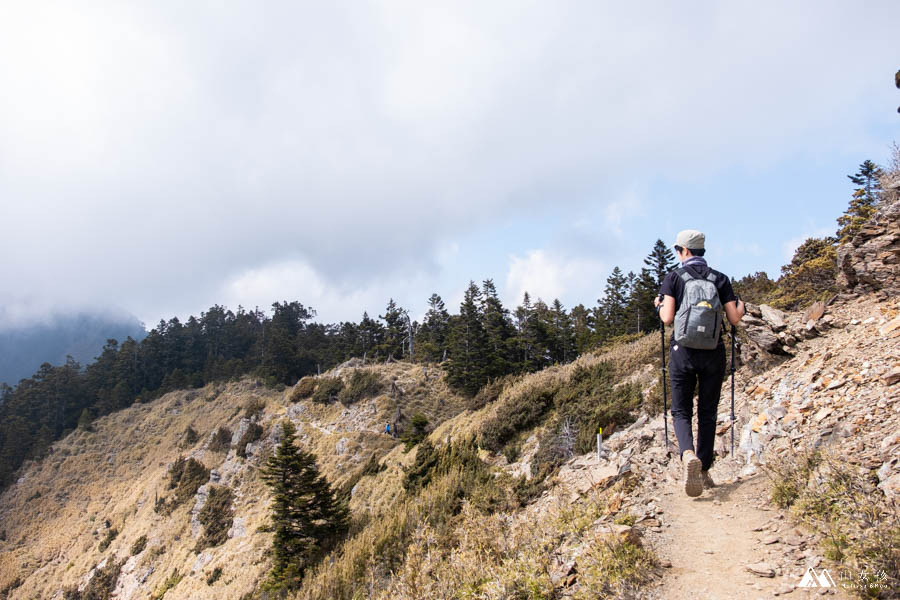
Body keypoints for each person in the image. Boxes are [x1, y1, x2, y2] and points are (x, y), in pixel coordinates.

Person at [653, 229, 745, 497]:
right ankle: (703, 469)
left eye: (678, 250)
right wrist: (742, 307)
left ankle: (687, 454)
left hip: (683, 353)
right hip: (713, 352)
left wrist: (658, 305)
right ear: (701, 251)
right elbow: (734, 318)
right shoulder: (720, 278)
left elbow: (668, 318)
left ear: (684, 251)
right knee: (708, 412)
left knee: (681, 410)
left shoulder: (674, 277)